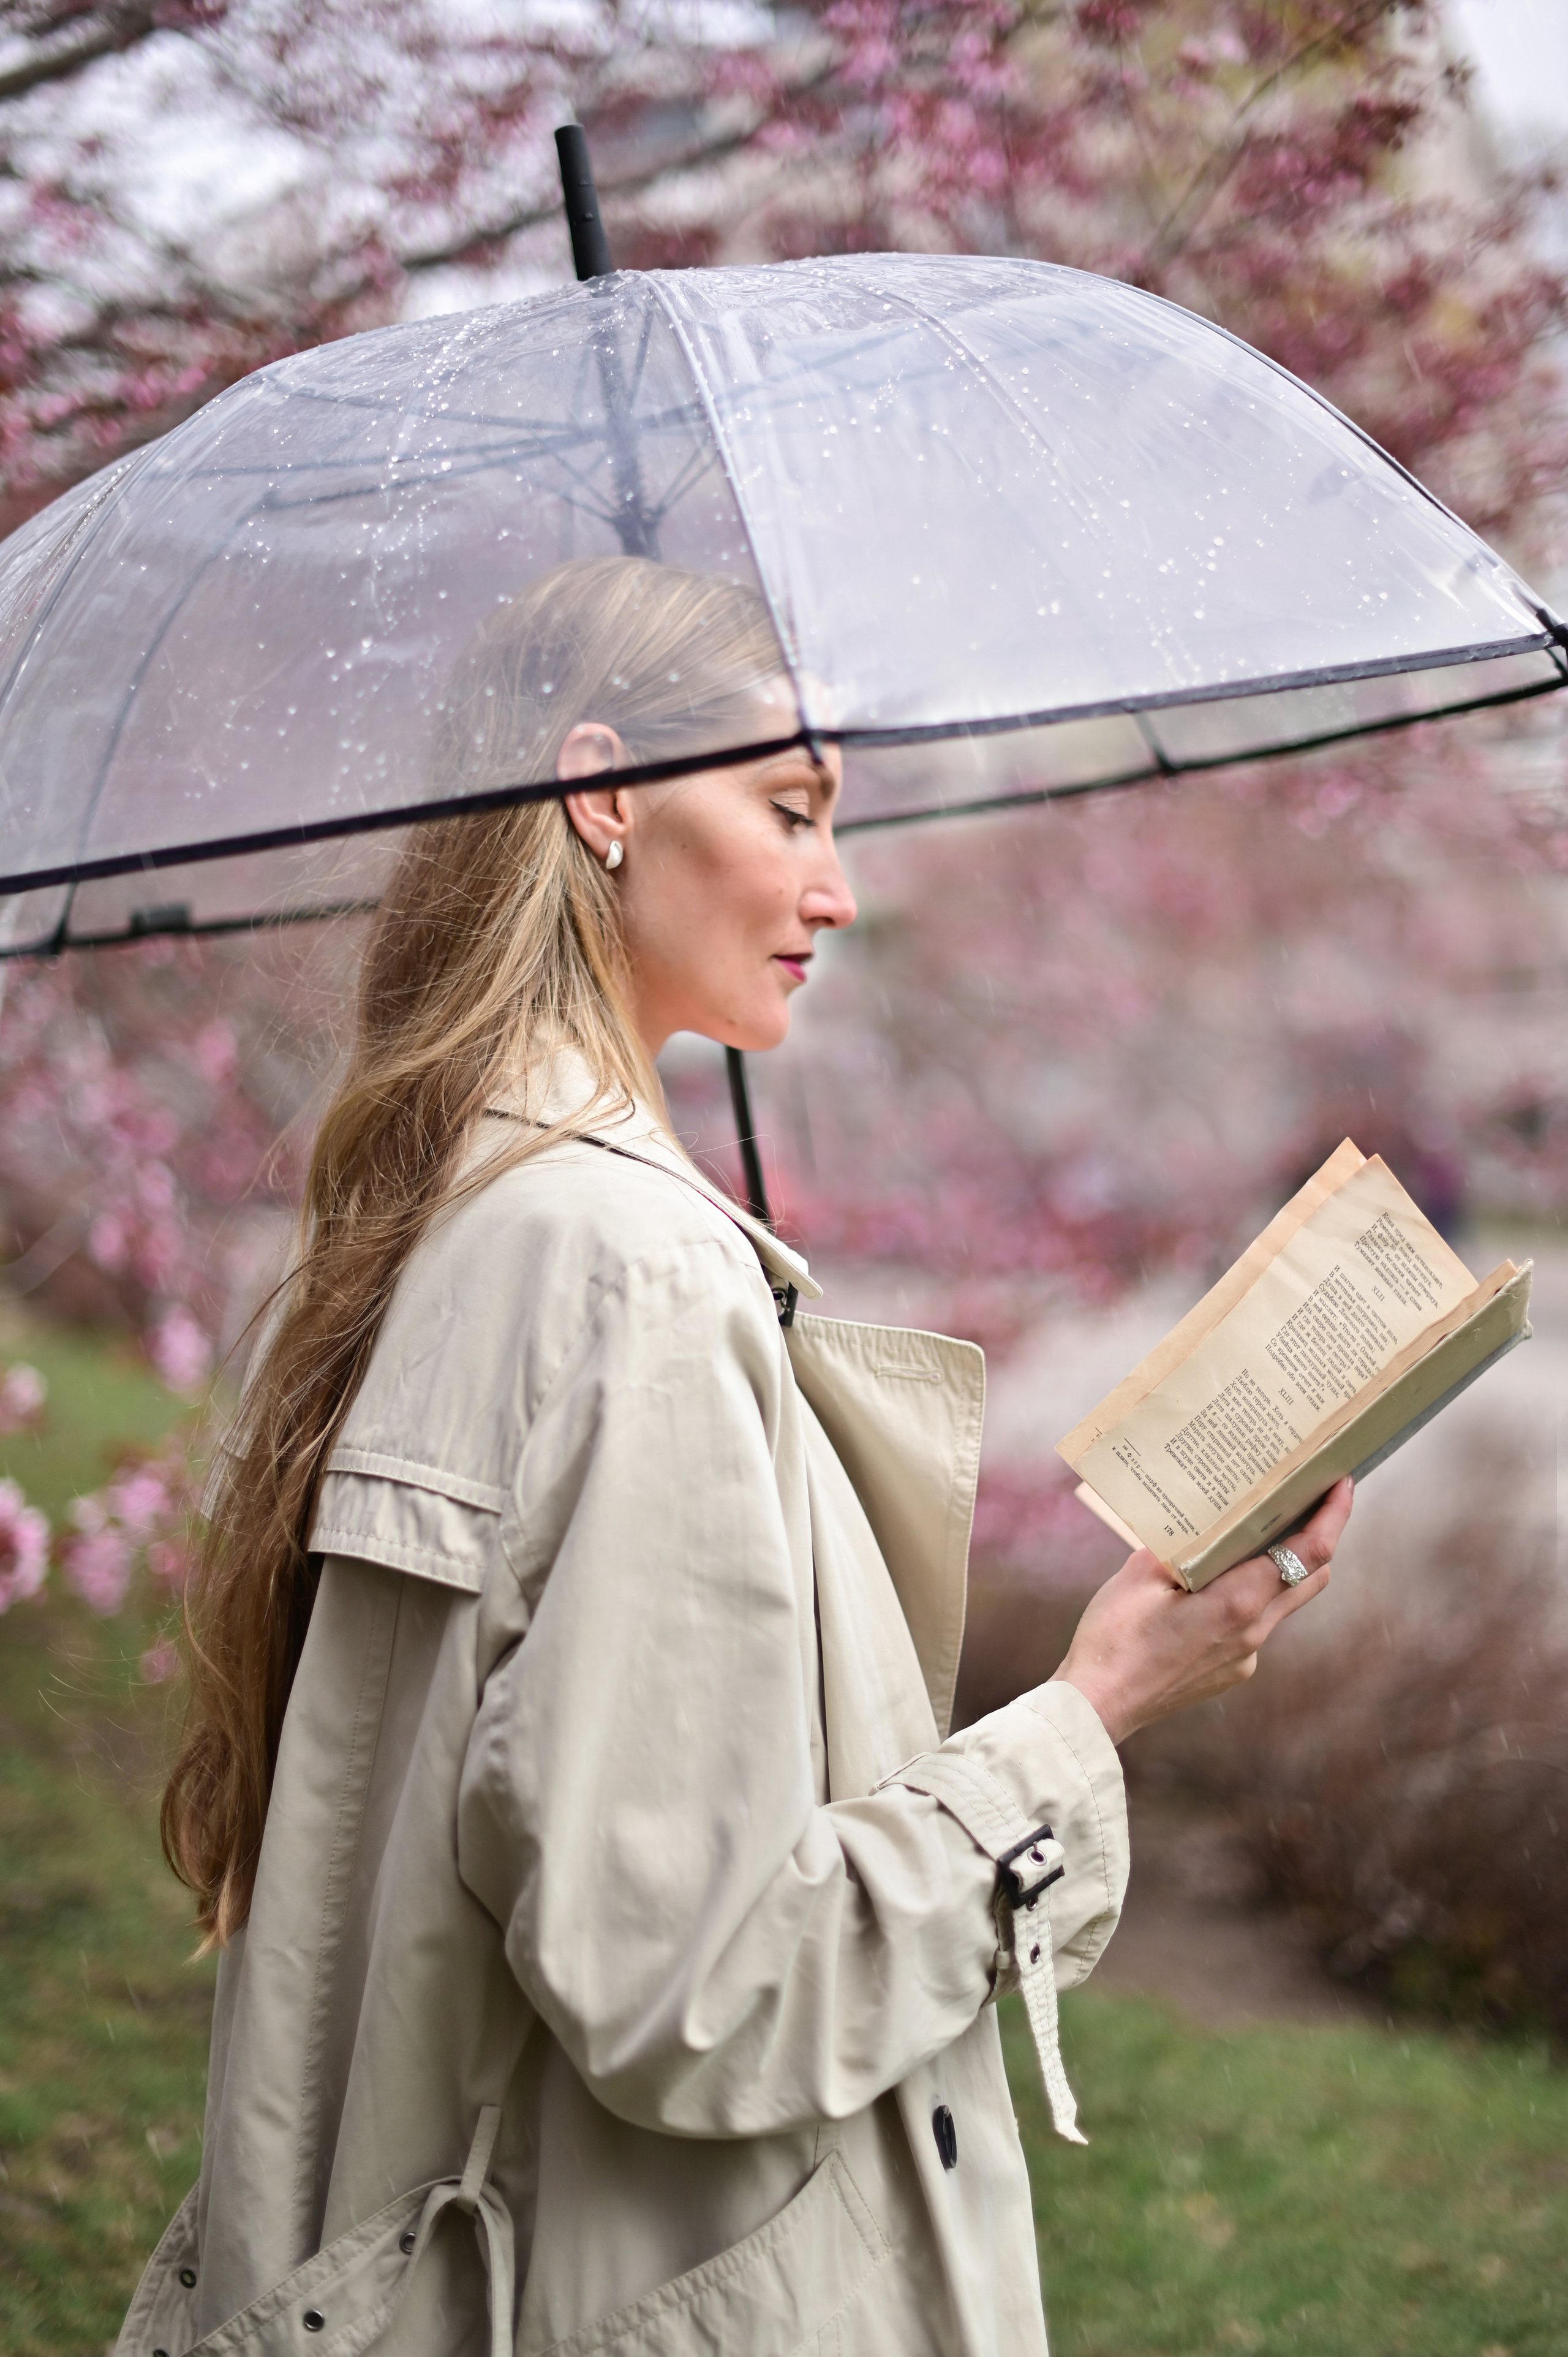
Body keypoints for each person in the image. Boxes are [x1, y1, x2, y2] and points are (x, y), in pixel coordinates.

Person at [117, 555, 1351, 2357]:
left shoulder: (463, 1203)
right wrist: (1097, 1708)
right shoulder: (625, 1266)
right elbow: (700, 1989)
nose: (837, 892)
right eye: (790, 810)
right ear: (603, 794)